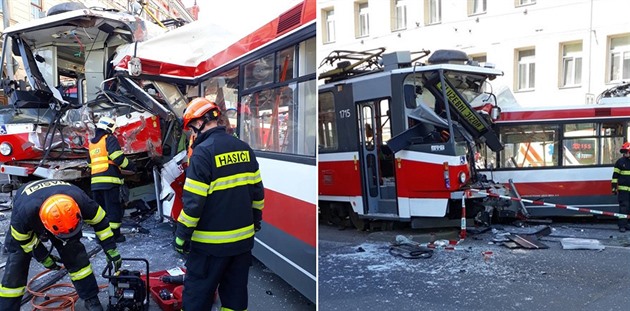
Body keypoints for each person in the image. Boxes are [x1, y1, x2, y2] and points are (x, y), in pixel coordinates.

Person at [173, 97, 264, 310]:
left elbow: (193, 205)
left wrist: (181, 236)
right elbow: (258, 194)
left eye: (191, 130)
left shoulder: (203, 153)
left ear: (198, 123)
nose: (192, 135)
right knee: (234, 298)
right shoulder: (244, 148)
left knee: (197, 298)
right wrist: (255, 222)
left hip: (209, 248)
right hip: (242, 244)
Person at [0, 180, 122, 311]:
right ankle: (7, 307)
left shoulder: (83, 202)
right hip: (28, 204)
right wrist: (43, 257)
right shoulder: (23, 216)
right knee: (17, 261)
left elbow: (101, 223)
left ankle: (91, 298)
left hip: (59, 205)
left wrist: (110, 248)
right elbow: (25, 241)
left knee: (75, 253)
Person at [88, 116, 137, 242]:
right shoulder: (109, 139)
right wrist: (132, 166)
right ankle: (115, 236)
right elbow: (118, 158)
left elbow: (89, 164)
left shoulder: (92, 144)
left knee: (101, 213)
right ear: (109, 128)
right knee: (114, 210)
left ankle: (102, 238)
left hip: (95, 184)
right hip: (110, 182)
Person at [612, 142, 630, 232]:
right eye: (624, 152)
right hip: (624, 191)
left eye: (626, 151)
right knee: (624, 208)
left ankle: (627, 225)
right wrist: (614, 188)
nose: (625, 153)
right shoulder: (620, 162)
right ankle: (622, 226)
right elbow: (615, 176)